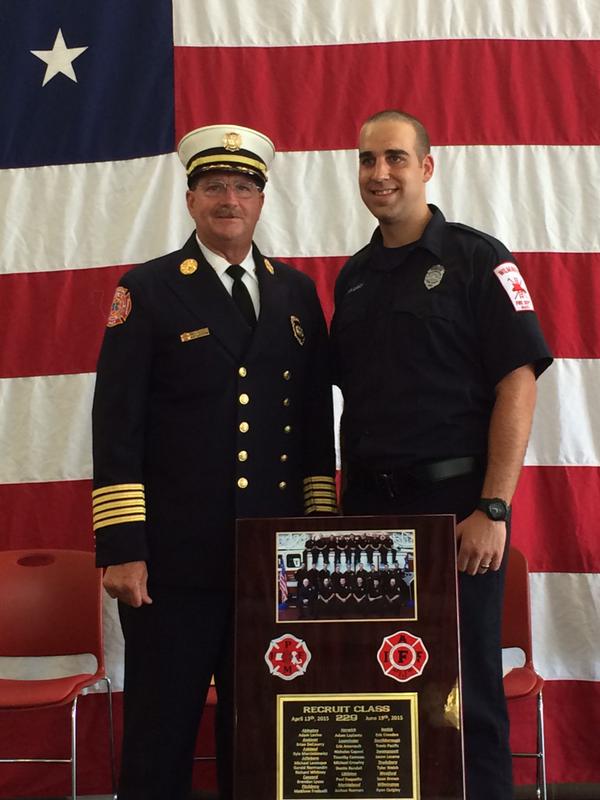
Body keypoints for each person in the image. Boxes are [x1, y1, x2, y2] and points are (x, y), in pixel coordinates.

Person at [92, 123, 337, 800]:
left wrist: (314, 537)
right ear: (192, 199)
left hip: (273, 561)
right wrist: (122, 546)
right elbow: (117, 426)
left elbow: (316, 425)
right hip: (171, 562)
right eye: (214, 186)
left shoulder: (294, 294)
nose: (229, 198)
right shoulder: (147, 290)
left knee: (262, 734)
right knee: (159, 736)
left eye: (243, 187)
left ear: (261, 201)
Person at [330, 109, 552, 799]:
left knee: (471, 693)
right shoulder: (354, 277)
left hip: (458, 515)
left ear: (427, 166)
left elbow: (517, 380)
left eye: (395, 158)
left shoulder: (479, 259)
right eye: (368, 160)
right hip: (369, 514)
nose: (380, 173)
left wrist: (494, 505)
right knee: (379, 691)